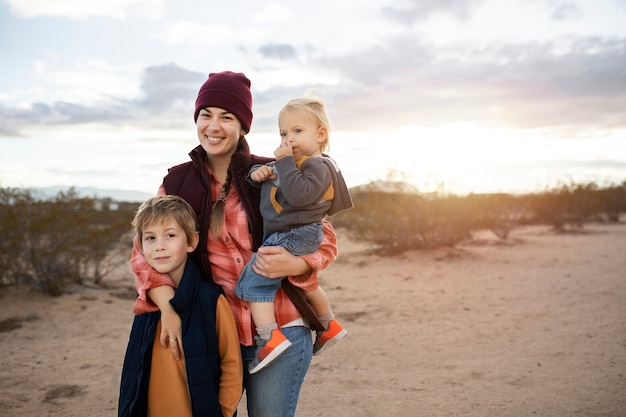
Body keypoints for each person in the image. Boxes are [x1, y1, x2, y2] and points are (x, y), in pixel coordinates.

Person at [129, 71, 339, 417]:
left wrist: (298, 264)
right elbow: (143, 254)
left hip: (281, 327)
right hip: (212, 330)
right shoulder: (177, 181)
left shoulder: (271, 171)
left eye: (227, 117)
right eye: (205, 115)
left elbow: (323, 236)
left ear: (243, 126)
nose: (214, 126)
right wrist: (167, 308)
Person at [235, 97, 353, 374]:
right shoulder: (294, 163)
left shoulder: (318, 166)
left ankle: (270, 338)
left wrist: (284, 161)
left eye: (297, 131)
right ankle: (328, 325)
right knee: (305, 282)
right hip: (295, 232)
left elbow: (300, 194)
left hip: (297, 232)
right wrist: (259, 173)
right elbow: (272, 176)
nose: (289, 139)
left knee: (253, 283)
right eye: (283, 134)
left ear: (320, 134)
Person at [118, 195, 243, 417]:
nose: (159, 246)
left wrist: (222, 412)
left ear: (191, 242)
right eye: (150, 238)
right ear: (140, 246)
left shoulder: (210, 299)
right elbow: (134, 368)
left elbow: (232, 364)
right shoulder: (146, 302)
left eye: (170, 235)